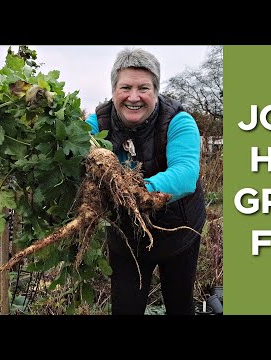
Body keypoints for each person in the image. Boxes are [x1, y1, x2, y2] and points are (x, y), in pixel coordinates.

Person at [85, 48, 206, 315]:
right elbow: (73, 151)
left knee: (179, 303)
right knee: (126, 306)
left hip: (180, 230)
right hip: (128, 236)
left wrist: (133, 193)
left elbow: (186, 174)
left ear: (156, 91)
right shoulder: (97, 123)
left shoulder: (178, 121)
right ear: (114, 89)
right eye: (125, 87)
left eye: (144, 88)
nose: (134, 97)